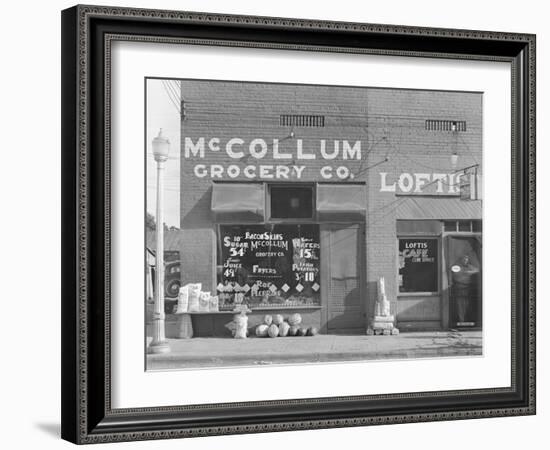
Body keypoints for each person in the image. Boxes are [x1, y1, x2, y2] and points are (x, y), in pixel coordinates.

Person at [450, 255, 480, 324]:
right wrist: (463, 273)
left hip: (467, 288)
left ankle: (466, 320)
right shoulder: (458, 267)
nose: (465, 261)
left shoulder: (469, 266)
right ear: (461, 260)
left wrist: (469, 272)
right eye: (464, 259)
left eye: (466, 259)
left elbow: (477, 270)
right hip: (459, 288)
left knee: (467, 304)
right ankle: (461, 320)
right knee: (459, 305)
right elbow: (454, 272)